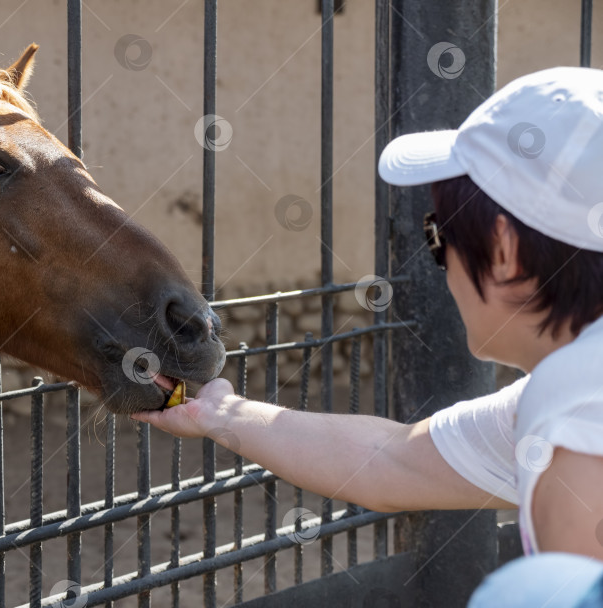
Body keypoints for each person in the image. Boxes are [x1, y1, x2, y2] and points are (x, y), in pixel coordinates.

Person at [132, 66, 603, 603]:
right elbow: (392, 459)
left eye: (438, 236)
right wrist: (220, 414)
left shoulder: (575, 411)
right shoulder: (558, 397)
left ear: (503, 251)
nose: (441, 264)